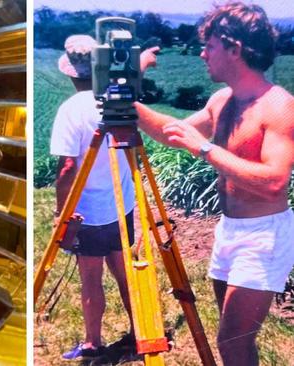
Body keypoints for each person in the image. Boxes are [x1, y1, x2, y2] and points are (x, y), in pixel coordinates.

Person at [134, 3, 294, 365]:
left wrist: (204, 148)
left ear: (234, 49)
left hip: (263, 235)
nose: (202, 54)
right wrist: (127, 102)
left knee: (232, 342)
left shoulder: (279, 107)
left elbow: (273, 182)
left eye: (210, 46)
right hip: (230, 230)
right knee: (234, 338)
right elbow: (173, 134)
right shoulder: (221, 101)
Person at [51, 34, 158, 361]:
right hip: (120, 205)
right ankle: (140, 333)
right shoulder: (116, 99)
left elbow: (68, 168)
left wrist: (61, 215)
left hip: (88, 212)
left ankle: (93, 343)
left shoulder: (70, 110)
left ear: (71, 73)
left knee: (91, 279)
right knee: (124, 270)